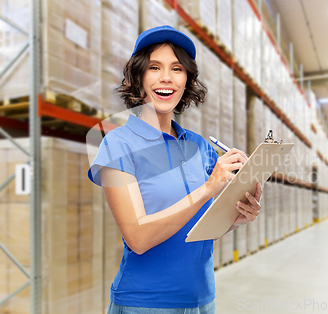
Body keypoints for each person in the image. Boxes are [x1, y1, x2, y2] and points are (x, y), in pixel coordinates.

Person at [87, 25, 262, 314]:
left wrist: (239, 216)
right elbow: (138, 238)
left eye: (177, 68)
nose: (166, 77)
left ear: (186, 81)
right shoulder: (118, 143)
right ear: (139, 77)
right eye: (155, 67)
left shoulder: (199, 146)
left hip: (202, 299)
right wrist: (208, 187)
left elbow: (201, 227)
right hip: (145, 303)